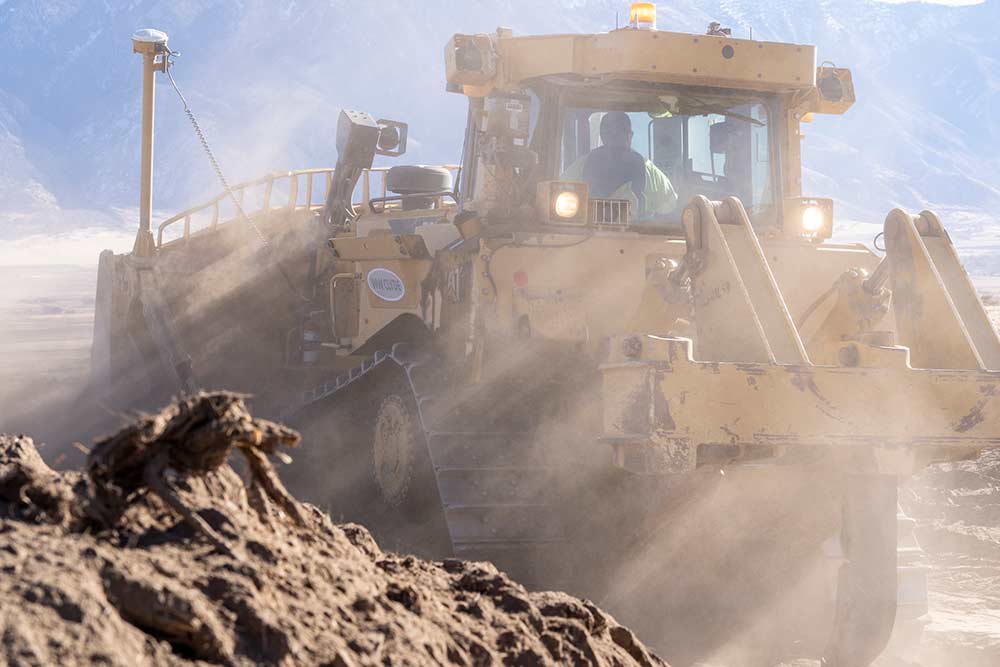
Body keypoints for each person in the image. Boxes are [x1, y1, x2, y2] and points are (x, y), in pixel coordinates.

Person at [563, 111, 678, 220]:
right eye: (610, 134)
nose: (614, 138)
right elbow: (669, 207)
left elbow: (556, 196)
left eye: (618, 133)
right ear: (630, 136)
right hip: (637, 236)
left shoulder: (581, 166)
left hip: (589, 236)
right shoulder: (649, 170)